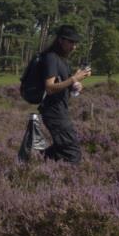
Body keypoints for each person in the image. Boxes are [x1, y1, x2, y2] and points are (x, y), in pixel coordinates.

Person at [38, 25, 92, 163]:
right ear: (60, 40)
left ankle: (32, 160)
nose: (74, 47)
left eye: (75, 43)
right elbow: (49, 88)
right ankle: (71, 180)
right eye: (71, 42)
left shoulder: (63, 61)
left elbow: (64, 85)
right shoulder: (51, 58)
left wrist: (75, 86)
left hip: (61, 111)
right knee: (72, 153)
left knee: (61, 149)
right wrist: (74, 79)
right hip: (53, 113)